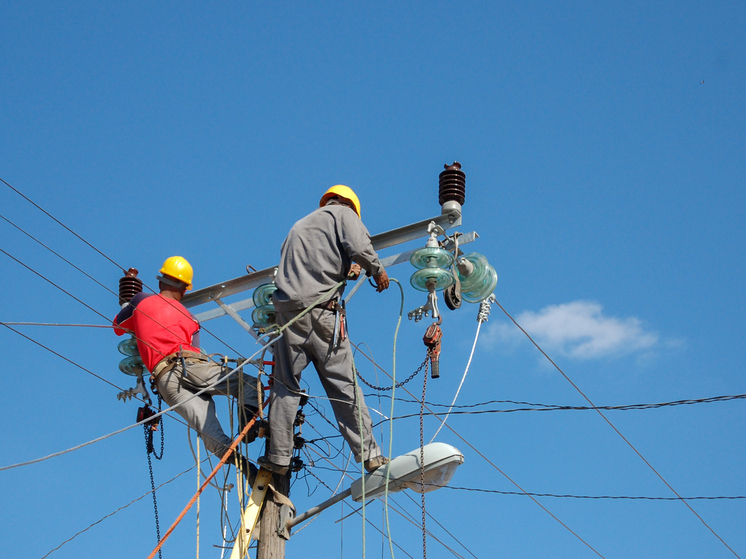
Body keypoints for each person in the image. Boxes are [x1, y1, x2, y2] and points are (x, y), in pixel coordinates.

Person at [260, 185, 390, 475]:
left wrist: (345, 271)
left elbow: (308, 267)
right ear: (348, 205)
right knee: (343, 386)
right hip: (322, 314)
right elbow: (358, 245)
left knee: (284, 386)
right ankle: (369, 454)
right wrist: (376, 269)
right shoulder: (343, 214)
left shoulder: (299, 226)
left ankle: (278, 457)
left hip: (288, 316)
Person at [113, 256, 261, 480]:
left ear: (161, 282)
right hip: (189, 364)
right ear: (184, 289)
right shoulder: (190, 318)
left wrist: (129, 304)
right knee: (249, 384)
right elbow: (195, 352)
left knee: (204, 423)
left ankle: (242, 465)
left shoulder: (141, 301)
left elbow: (117, 326)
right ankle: (248, 423)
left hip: (164, 380)